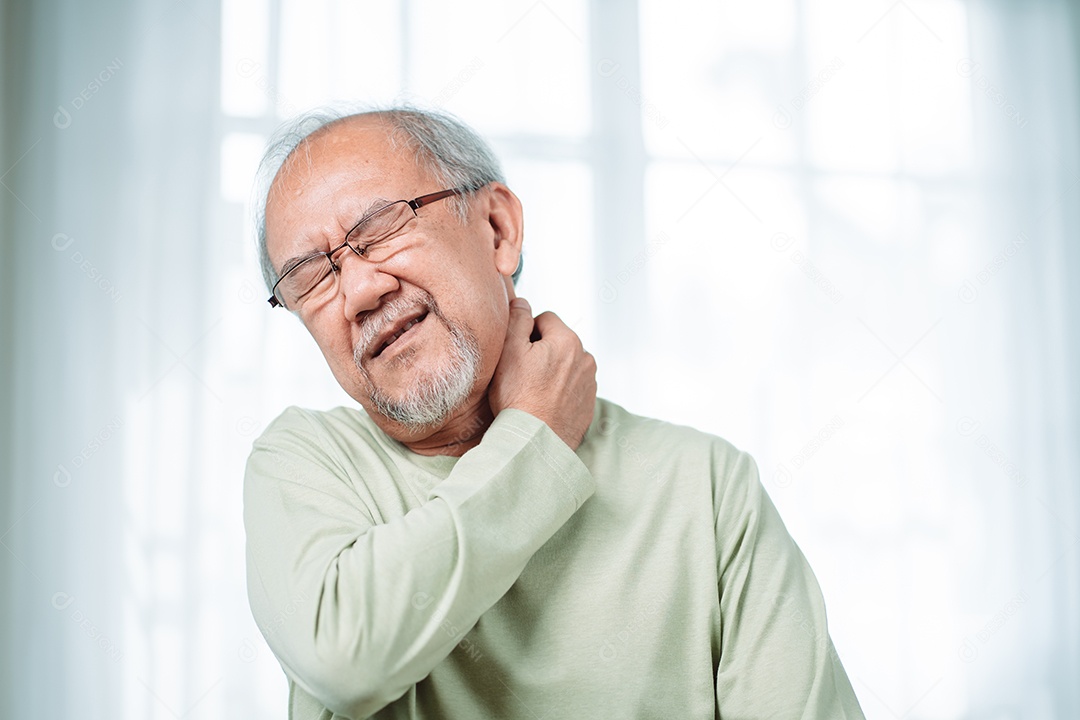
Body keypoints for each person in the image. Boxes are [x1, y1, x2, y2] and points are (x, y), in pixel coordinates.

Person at [243, 105, 866, 720]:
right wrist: (534, 437)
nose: (359, 291)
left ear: (497, 229)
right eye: (308, 275)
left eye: (380, 226)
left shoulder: (705, 485)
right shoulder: (303, 465)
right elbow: (346, 661)